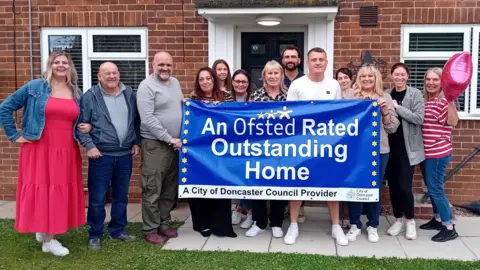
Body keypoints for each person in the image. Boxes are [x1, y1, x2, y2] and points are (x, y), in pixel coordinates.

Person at [0, 51, 90, 256]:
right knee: (43, 188)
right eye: (56, 62)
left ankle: (44, 229)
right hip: (39, 147)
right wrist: (14, 136)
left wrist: (87, 127)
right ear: (50, 65)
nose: (61, 65)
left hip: (66, 149)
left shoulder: (76, 91)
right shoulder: (35, 87)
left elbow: (79, 119)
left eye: (64, 62)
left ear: (70, 66)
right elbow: (5, 108)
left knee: (57, 189)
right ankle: (49, 240)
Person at [285, 47, 347, 246]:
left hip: (329, 145)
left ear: (327, 63)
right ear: (308, 63)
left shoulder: (334, 84)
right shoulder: (297, 85)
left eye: (321, 59)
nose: (318, 62)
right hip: (302, 144)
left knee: (332, 183)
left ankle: (336, 226)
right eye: (314, 59)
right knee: (297, 184)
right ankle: (293, 224)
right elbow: (290, 116)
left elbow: (340, 115)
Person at [77, 62, 141, 250]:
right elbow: (81, 125)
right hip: (101, 155)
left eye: (114, 73)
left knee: (121, 196)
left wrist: (136, 141)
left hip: (124, 155)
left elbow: (135, 121)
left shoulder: (129, 94)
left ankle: (118, 230)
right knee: (97, 197)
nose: (111, 76)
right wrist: (90, 146)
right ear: (99, 76)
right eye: (107, 73)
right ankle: (95, 234)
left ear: (119, 74)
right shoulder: (90, 96)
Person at [344, 65, 400, 243]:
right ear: (358, 79)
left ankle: (372, 225)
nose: (367, 79)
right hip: (355, 150)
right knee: (355, 186)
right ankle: (354, 224)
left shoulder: (385, 97)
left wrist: (384, 113)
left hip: (379, 150)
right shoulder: (349, 96)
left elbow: (392, 128)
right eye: (363, 76)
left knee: (375, 187)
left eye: (370, 76)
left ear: (376, 78)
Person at [137, 51, 183, 244]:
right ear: (153, 65)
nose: (165, 68)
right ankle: (150, 228)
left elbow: (179, 106)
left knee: (169, 188)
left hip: (174, 145)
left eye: (168, 65)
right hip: (155, 145)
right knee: (152, 188)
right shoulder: (146, 86)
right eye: (161, 64)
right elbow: (147, 119)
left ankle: (164, 223)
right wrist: (168, 138)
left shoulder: (175, 83)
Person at [189, 67, 237, 238]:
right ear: (198, 82)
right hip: (200, 152)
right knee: (202, 187)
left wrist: (221, 107)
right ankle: (203, 225)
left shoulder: (226, 97)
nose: (205, 82)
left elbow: (234, 120)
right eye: (201, 79)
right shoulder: (193, 99)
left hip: (221, 151)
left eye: (208, 78)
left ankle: (222, 226)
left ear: (213, 79)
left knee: (220, 187)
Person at [246, 60, 288, 239]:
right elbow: (246, 122)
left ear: (281, 76)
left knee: (280, 186)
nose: (272, 76)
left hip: (283, 150)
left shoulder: (289, 97)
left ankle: (277, 223)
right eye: (269, 73)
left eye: (276, 73)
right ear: (264, 76)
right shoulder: (255, 97)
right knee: (258, 186)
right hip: (260, 150)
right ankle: (259, 222)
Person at [385, 63, 425, 240]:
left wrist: (397, 108)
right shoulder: (387, 93)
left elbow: (418, 118)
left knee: (404, 186)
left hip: (407, 148)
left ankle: (410, 221)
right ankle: (398, 219)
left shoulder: (415, 94)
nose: (399, 78)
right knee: (393, 186)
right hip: (389, 147)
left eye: (402, 75)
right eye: (396, 75)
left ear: (407, 76)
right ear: (391, 76)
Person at [419, 67, 459, 242]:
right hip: (428, 152)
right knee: (432, 188)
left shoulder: (444, 101)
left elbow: (453, 122)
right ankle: (437, 219)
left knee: (436, 190)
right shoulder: (428, 101)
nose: (431, 83)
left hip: (438, 152)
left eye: (435, 80)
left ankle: (449, 227)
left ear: (442, 82)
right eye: (428, 79)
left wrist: (450, 101)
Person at [281, 45, 306, 223]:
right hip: (280, 136)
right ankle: (281, 208)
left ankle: (299, 208)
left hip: (302, 136)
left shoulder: (306, 80)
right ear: (283, 60)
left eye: (293, 57)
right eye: (287, 57)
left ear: (298, 60)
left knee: (299, 172)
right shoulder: (275, 77)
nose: (290, 59)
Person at [229, 69, 254, 229]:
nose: (240, 84)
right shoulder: (225, 98)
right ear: (232, 82)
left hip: (251, 145)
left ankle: (249, 211)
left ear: (248, 84)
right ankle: (240, 207)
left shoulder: (254, 99)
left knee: (248, 178)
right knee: (237, 178)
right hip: (231, 144)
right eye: (237, 81)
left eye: (244, 82)